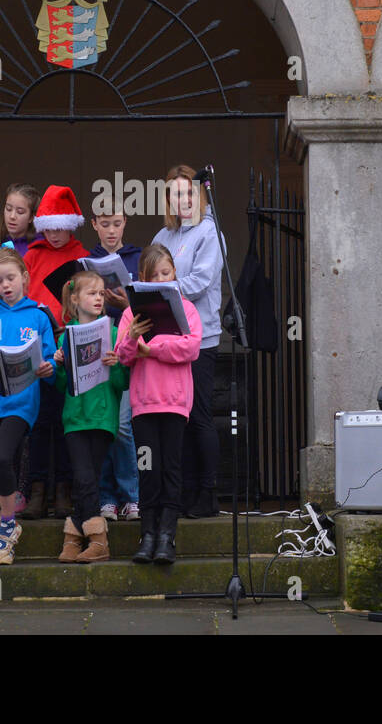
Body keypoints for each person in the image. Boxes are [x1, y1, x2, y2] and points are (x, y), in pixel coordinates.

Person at [0, 248, 56, 565]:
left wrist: (48, 369)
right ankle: (4, 542)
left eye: (11, 278)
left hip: (22, 402)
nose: (5, 285)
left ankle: (6, 528)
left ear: (24, 278)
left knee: (3, 457)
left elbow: (50, 363)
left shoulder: (38, 316)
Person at [115, 244, 202, 565]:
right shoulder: (129, 314)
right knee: (148, 469)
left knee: (171, 469)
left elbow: (190, 347)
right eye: (154, 276)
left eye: (166, 274)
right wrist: (130, 338)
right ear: (143, 279)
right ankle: (147, 534)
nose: (162, 279)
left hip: (175, 404)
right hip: (143, 406)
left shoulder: (187, 309)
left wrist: (150, 348)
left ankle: (167, 536)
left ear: (174, 275)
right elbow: (123, 356)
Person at [151, 164, 224, 518]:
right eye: (176, 193)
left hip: (201, 339)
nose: (182, 200)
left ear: (200, 195)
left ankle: (207, 492)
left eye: (189, 193)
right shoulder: (163, 237)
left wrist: (159, 291)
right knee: (174, 418)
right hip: (165, 342)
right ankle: (177, 493)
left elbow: (199, 283)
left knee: (198, 415)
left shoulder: (210, 232)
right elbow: (149, 273)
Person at [21, 185, 91, 519]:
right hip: (37, 344)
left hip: (69, 343)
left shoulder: (82, 256)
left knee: (66, 421)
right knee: (38, 421)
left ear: (71, 225)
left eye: (59, 227)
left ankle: (64, 490)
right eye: (48, 227)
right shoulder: (32, 255)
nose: (54, 234)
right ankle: (37, 490)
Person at [52, 270, 128, 563]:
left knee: (88, 477)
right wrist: (59, 365)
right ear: (75, 299)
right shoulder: (66, 335)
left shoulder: (111, 332)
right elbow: (61, 386)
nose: (99, 298)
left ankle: (80, 538)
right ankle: (93, 538)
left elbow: (123, 383)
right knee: (84, 478)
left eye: (101, 294)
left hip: (102, 416)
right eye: (92, 293)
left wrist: (117, 364)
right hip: (74, 418)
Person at [89, 211, 142, 522]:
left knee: (122, 426)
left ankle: (130, 495)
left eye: (117, 223)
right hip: (94, 349)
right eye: (104, 224)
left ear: (125, 223)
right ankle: (106, 497)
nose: (111, 230)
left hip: (124, 349)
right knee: (101, 426)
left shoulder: (135, 259)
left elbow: (147, 307)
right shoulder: (87, 260)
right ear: (94, 224)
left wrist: (126, 305)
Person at [0, 183, 43, 263]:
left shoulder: (40, 248)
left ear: (31, 217)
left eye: (20, 212)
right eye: (8, 209)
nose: (12, 216)